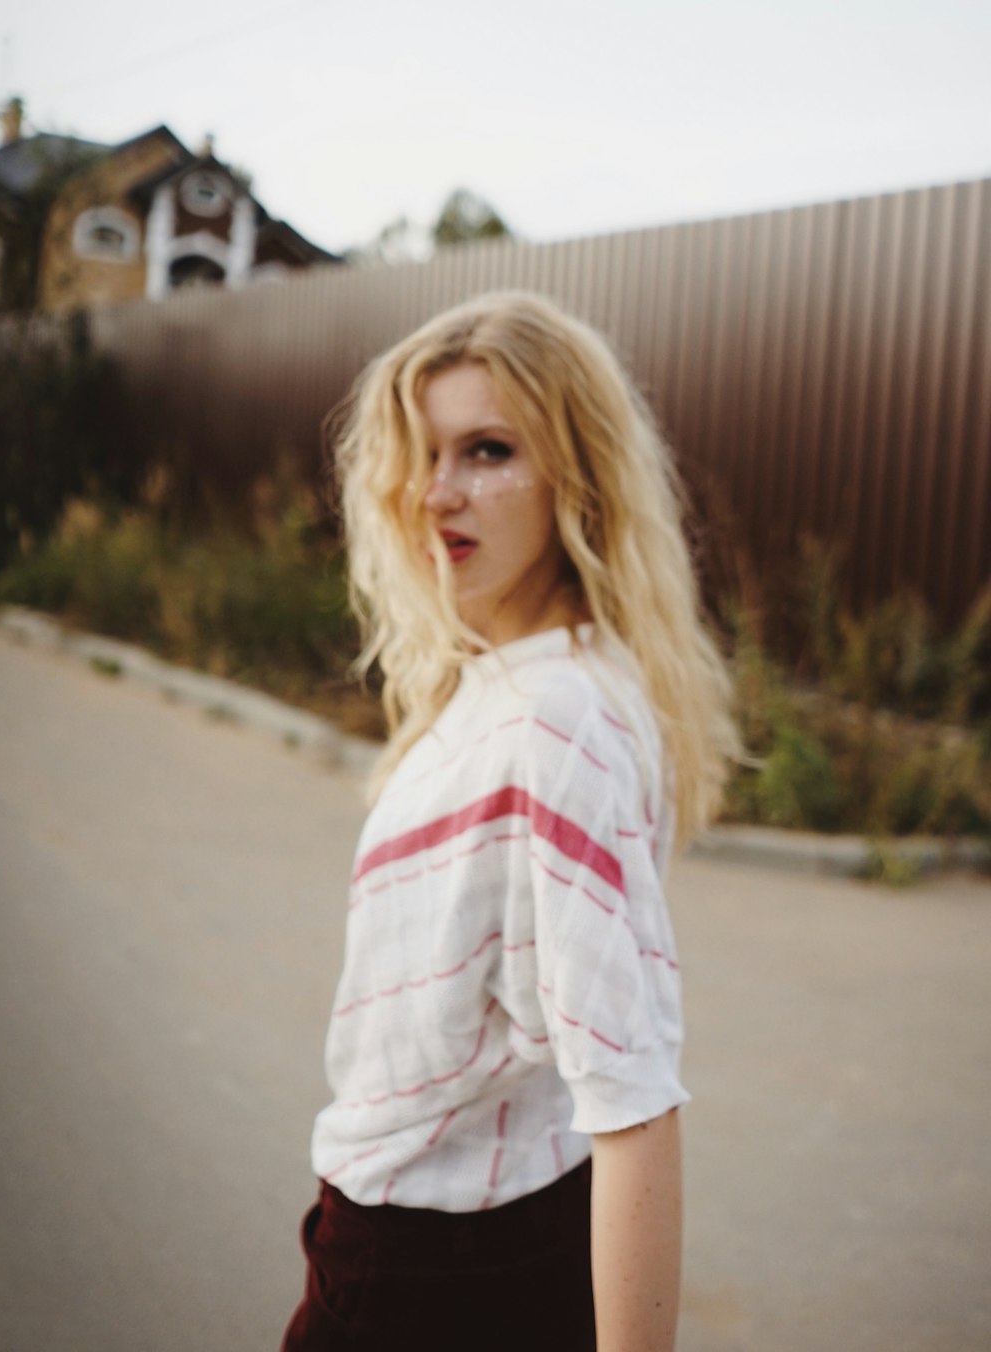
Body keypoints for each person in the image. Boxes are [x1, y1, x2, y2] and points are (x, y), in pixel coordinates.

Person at [281, 291, 739, 1352]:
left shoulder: (556, 719)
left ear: (578, 472)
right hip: (462, 1221)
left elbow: (632, 1100)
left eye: (487, 450)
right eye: (425, 453)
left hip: (431, 1271)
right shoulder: (517, 676)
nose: (439, 493)